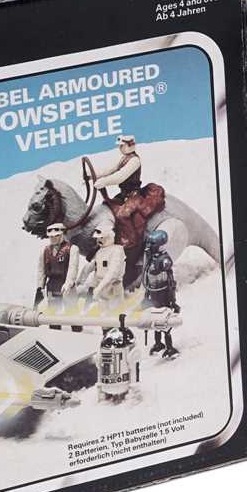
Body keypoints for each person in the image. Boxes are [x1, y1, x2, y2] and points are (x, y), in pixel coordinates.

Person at [92, 135, 166, 256]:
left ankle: (130, 242)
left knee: (123, 214)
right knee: (109, 206)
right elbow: (110, 170)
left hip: (134, 195)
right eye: (120, 146)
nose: (120, 148)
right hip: (123, 194)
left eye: (122, 146)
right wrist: (93, 175)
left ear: (129, 145)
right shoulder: (123, 159)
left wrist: (104, 182)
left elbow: (121, 176)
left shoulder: (134, 161)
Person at [142, 230, 179, 358]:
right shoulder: (151, 258)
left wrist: (172, 301)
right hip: (153, 293)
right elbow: (147, 276)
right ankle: (158, 344)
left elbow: (169, 280)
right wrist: (147, 294)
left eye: (151, 244)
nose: (149, 247)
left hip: (163, 294)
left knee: (165, 320)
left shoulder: (164, 260)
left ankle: (169, 347)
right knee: (155, 319)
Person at [36, 222, 81, 305]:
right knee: (53, 308)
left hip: (66, 284)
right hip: (52, 285)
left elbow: (73, 268)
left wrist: (68, 283)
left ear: (62, 235)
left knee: (71, 309)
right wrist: (40, 287)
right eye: (51, 236)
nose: (53, 238)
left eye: (56, 236)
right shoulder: (45, 250)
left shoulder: (72, 249)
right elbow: (41, 270)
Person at [80, 225, 125, 301]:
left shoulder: (117, 250)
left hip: (111, 288)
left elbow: (112, 272)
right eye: (97, 238)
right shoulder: (99, 251)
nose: (98, 240)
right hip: (96, 285)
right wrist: (80, 281)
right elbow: (90, 266)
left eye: (101, 237)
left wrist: (99, 288)